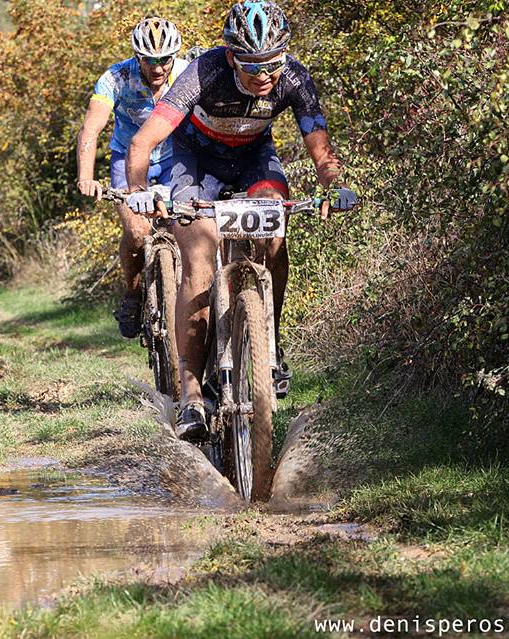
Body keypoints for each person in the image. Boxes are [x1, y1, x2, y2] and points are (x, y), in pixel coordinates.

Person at [124, 1, 358, 439]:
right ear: (232, 57)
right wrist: (140, 192)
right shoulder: (203, 73)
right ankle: (192, 394)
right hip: (193, 162)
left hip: (253, 160)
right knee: (198, 252)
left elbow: (319, 146)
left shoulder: (293, 76)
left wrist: (331, 185)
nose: (266, 75)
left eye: (273, 63)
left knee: (274, 234)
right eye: (253, 67)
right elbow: (143, 141)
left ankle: (268, 341)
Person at [76, 16, 188, 338]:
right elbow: (91, 128)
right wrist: (86, 176)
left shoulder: (184, 74)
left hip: (173, 158)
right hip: (127, 160)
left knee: (183, 229)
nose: (157, 69)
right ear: (137, 57)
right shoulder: (115, 77)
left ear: (174, 57)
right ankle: (133, 293)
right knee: (137, 231)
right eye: (149, 61)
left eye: (164, 60)